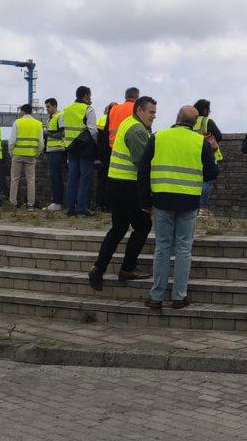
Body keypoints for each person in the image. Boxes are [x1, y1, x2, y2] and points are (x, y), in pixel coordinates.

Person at [138, 104, 219, 309]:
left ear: (177, 117)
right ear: (194, 123)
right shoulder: (200, 142)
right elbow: (211, 174)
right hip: (189, 201)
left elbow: (143, 170)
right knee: (184, 249)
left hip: (162, 200)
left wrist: (145, 202)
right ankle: (179, 296)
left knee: (162, 248)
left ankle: (156, 297)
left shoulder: (158, 137)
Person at [88, 96, 158, 291]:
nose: (154, 116)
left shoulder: (129, 123)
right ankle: (127, 268)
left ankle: (98, 268)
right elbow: (143, 162)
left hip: (116, 183)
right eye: (151, 112)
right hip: (128, 186)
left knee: (118, 229)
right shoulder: (136, 130)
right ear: (140, 111)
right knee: (143, 226)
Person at [63, 86, 98, 217]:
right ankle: (82, 208)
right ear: (86, 95)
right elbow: (93, 130)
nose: (91, 98)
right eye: (90, 95)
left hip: (70, 147)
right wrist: (97, 145)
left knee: (72, 178)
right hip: (84, 148)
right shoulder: (88, 109)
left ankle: (70, 208)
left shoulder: (66, 109)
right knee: (85, 177)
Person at [7, 103, 44, 208]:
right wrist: (36, 153)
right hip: (31, 155)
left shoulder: (18, 122)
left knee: (14, 179)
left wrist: (11, 153)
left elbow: (12, 141)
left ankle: (12, 203)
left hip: (17, 154)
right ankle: (30, 204)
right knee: (31, 180)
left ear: (23, 111)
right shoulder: (38, 124)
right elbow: (41, 143)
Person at [192, 99, 223, 217]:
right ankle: (203, 208)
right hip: (207, 154)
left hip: (192, 153)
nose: (210, 111)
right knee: (206, 181)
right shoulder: (206, 121)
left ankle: (194, 208)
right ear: (205, 109)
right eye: (208, 108)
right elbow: (219, 136)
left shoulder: (191, 121)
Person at [43, 97, 66, 211]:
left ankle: (57, 202)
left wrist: (48, 134)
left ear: (54, 106)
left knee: (55, 176)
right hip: (51, 150)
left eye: (48, 106)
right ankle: (56, 201)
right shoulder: (50, 119)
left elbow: (63, 133)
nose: (47, 109)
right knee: (53, 176)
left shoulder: (59, 116)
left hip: (57, 150)